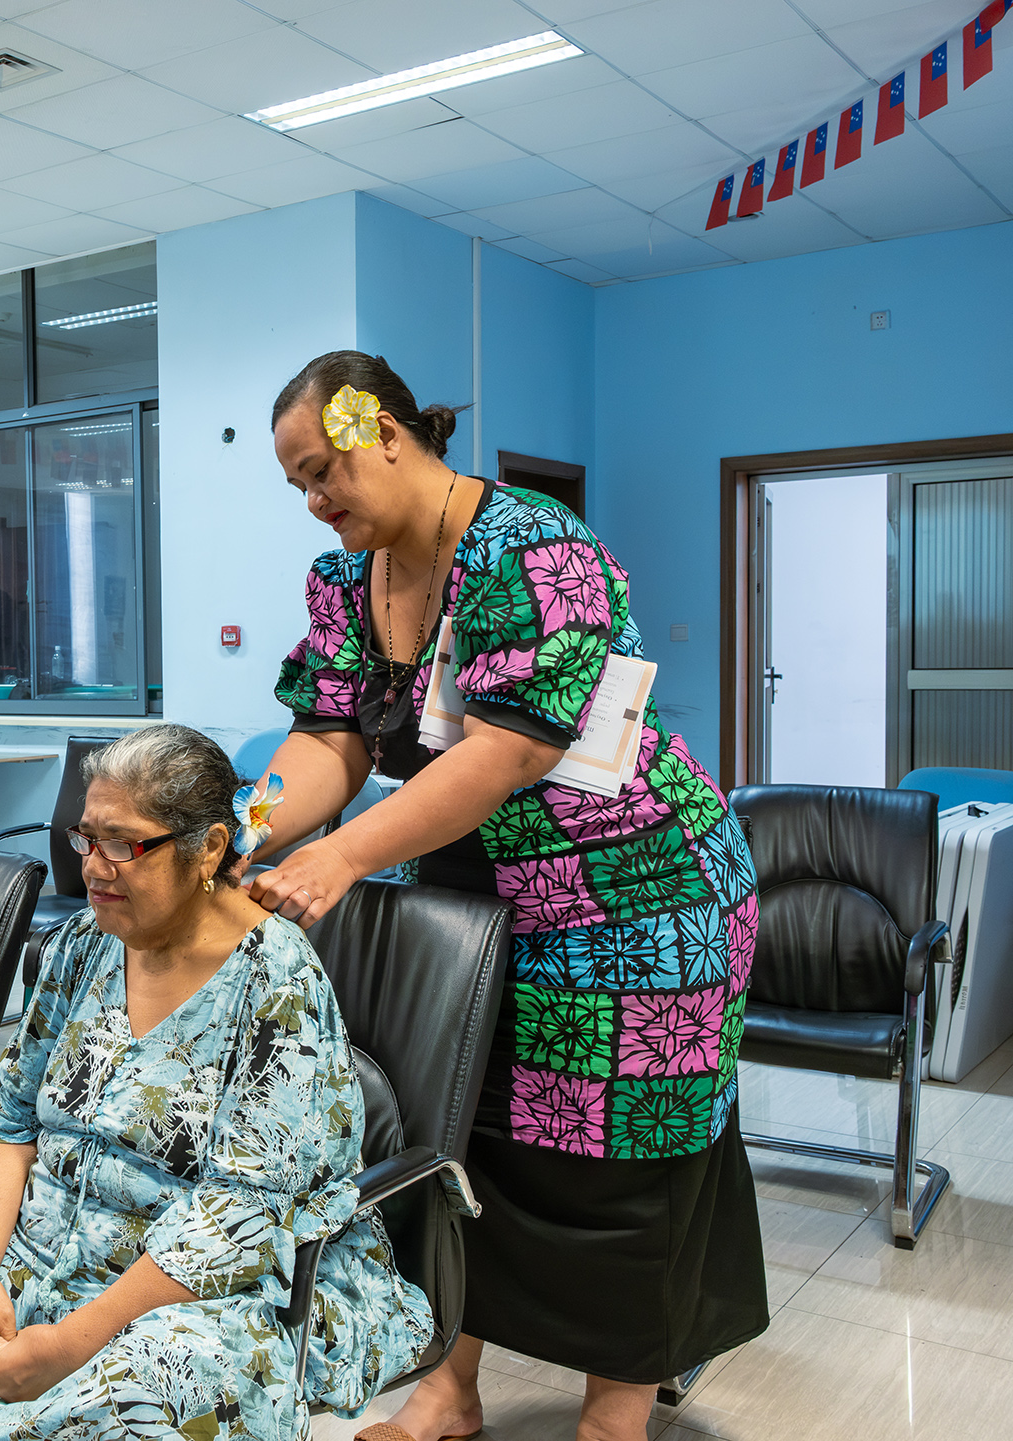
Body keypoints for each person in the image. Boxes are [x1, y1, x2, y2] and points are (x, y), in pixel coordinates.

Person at [252, 352, 766, 1441]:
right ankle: (448, 1385)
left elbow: (510, 753)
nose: (315, 499)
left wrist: (341, 860)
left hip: (639, 900)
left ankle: (613, 1416)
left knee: (618, 1160)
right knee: (461, 1138)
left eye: (322, 470)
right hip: (477, 895)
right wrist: (238, 836)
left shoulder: (533, 547)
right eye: (298, 484)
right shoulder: (346, 578)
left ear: (383, 430)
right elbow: (329, 740)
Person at [0, 725, 432, 1441]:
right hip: (48, 1240)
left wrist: (71, 1342)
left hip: (204, 1287)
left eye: (123, 844)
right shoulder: (85, 942)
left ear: (207, 847)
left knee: (148, 1384)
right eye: (86, 837)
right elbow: (8, 1118)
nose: (94, 869)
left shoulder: (274, 981)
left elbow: (241, 1216)